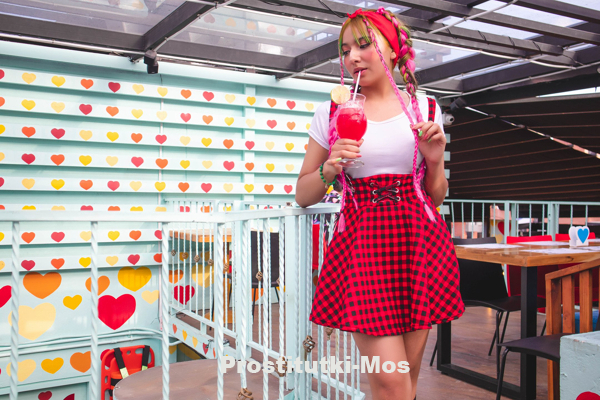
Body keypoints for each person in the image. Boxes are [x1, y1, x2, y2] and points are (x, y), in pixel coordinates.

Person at [295, 8, 465, 400]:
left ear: (393, 49)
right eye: (345, 50)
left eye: (363, 45)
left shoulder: (426, 108)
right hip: (363, 248)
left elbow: (436, 195)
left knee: (408, 380)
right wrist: (330, 167)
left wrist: (435, 160)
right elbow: (303, 194)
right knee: (391, 381)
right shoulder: (332, 112)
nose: (352, 57)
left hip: (420, 244)